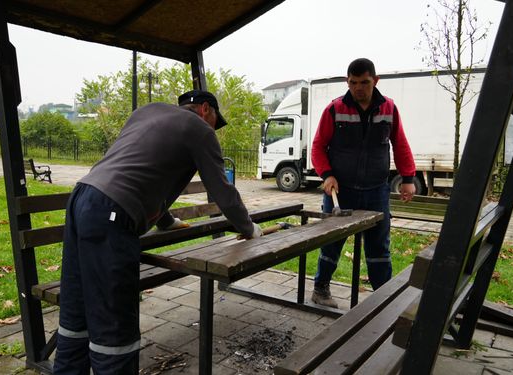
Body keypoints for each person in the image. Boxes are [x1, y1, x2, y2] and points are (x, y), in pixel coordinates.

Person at [53, 90, 263, 374]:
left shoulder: (147, 112)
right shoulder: (200, 130)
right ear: (205, 109)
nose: (214, 129)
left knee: (75, 313)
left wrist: (167, 222)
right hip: (112, 214)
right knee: (113, 325)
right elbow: (222, 192)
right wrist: (249, 228)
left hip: (81, 199)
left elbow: (140, 171)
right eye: (215, 121)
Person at [310, 58, 416, 308]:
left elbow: (399, 143)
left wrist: (408, 178)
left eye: (364, 82)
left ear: (375, 81)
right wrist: (327, 174)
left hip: (376, 192)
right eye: (353, 82)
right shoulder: (334, 110)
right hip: (340, 191)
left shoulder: (389, 109)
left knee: (379, 247)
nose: (358, 88)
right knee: (331, 243)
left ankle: (383, 299)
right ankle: (320, 288)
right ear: (347, 82)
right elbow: (317, 147)